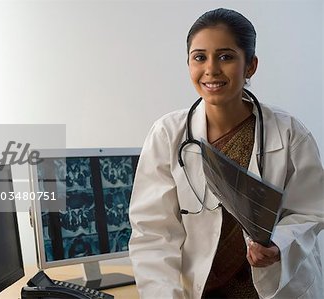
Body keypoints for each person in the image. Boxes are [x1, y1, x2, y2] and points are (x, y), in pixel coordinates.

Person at [128, 8, 324, 299]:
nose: (211, 69)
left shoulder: (289, 132)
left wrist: (279, 244)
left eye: (226, 56)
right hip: (206, 291)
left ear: (250, 66)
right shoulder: (168, 134)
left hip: (279, 289)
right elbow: (154, 235)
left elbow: (311, 211)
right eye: (199, 57)